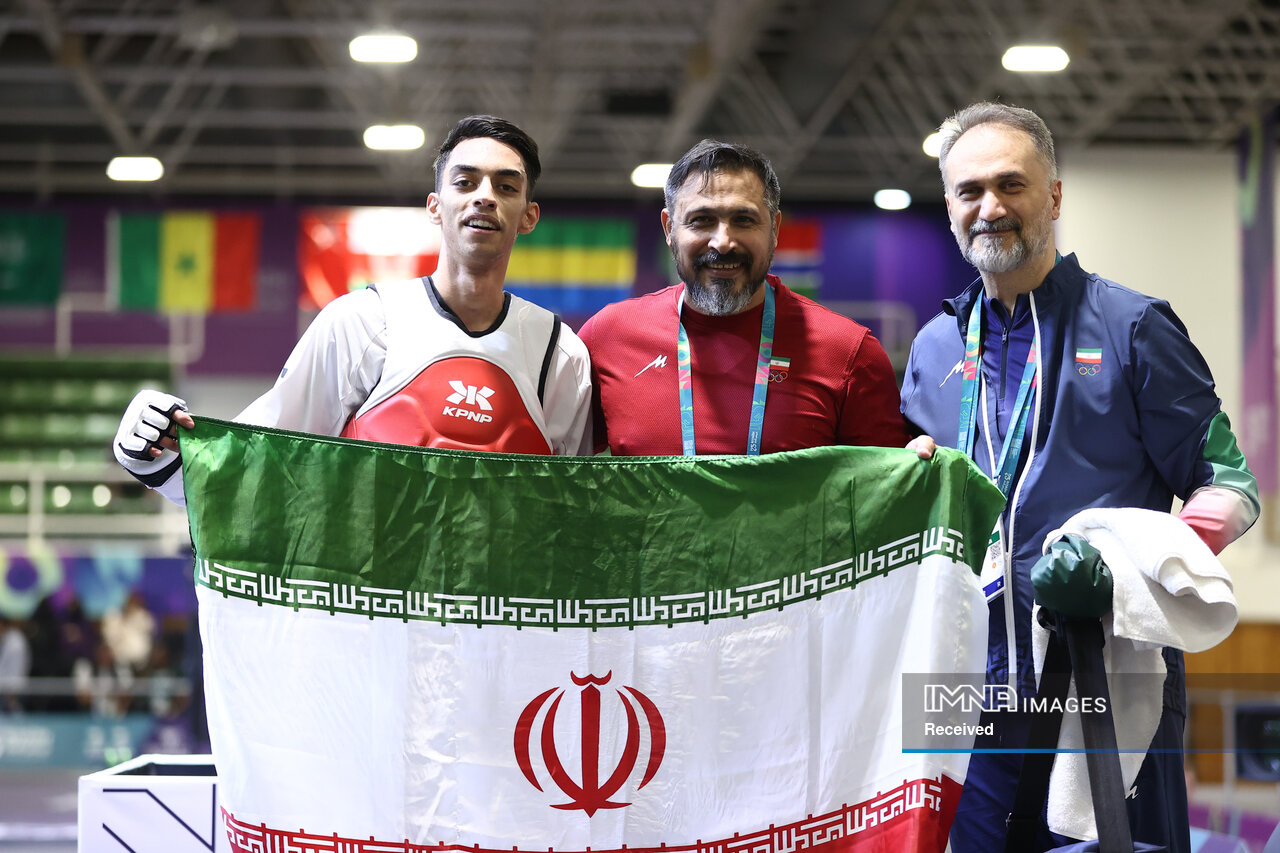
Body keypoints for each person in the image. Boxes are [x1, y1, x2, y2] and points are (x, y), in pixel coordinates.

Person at [900, 101, 1259, 852]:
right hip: (954, 690)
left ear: (1054, 195)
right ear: (950, 207)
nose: (990, 207)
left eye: (1011, 184)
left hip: (1102, 675)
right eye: (970, 191)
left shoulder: (1133, 327)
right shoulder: (934, 347)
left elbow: (1231, 485)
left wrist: (1126, 573)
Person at [115, 115, 593, 501]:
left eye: (506, 187)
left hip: (504, 594)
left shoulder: (560, 354)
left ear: (529, 215)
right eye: (465, 182)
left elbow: (580, 511)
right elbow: (264, 457)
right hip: (375, 593)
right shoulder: (364, 321)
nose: (484, 197)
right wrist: (163, 458)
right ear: (435, 206)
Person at [580, 139, 919, 456]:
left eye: (743, 220)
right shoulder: (607, 337)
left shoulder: (847, 352)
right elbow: (560, 467)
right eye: (701, 220)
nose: (722, 242)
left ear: (774, 229)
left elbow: (887, 486)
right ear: (670, 229)